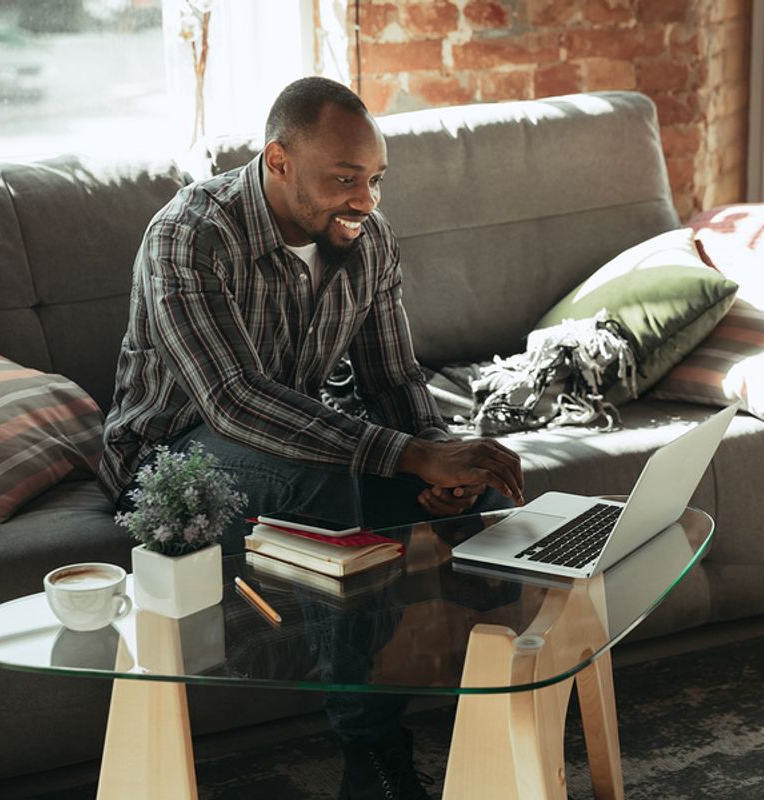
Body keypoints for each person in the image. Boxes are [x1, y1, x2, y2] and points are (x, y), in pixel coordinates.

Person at [99, 76, 524, 800]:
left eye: (376, 180)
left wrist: (440, 457)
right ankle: (374, 752)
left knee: (449, 476)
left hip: (292, 440)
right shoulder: (190, 235)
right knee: (330, 479)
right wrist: (409, 454)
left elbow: (394, 380)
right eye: (344, 179)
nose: (366, 200)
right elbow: (234, 401)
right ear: (278, 162)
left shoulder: (369, 241)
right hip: (170, 457)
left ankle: (495, 712)